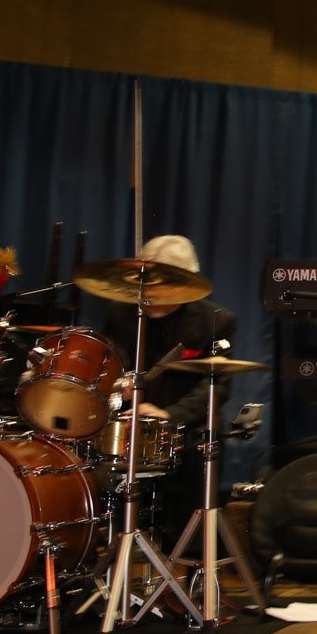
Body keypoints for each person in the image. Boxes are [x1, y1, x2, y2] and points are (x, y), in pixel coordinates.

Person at [102, 234, 238, 550]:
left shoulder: (216, 320)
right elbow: (110, 369)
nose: (149, 292)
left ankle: (193, 560)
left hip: (188, 428)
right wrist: (120, 390)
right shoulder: (121, 315)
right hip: (132, 425)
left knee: (202, 449)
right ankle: (117, 552)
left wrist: (168, 415)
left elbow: (217, 386)